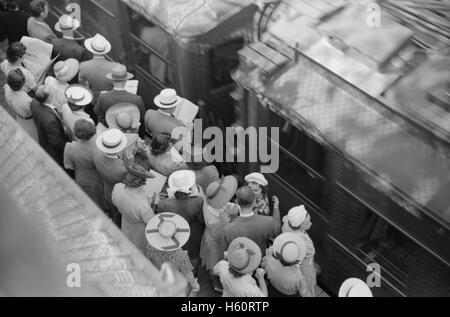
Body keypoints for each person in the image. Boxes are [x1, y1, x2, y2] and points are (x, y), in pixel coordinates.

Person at [156, 170, 205, 270]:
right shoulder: (198, 201)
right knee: (193, 254)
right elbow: (201, 219)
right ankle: (193, 271)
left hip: (174, 233)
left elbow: (161, 222)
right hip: (192, 233)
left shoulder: (163, 204)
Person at [145, 212, 200, 296]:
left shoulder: (150, 245)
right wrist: (195, 286)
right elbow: (188, 275)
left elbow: (149, 261)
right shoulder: (181, 256)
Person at [200, 176, 239, 292]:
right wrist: (225, 221)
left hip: (213, 237)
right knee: (214, 264)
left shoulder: (208, 203)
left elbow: (222, 207)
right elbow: (217, 230)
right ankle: (217, 284)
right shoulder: (213, 220)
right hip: (214, 241)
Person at [221, 186, 280, 255]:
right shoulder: (267, 222)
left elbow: (223, 249)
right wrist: (276, 207)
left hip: (239, 261)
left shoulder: (227, 229)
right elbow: (277, 227)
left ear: (237, 202)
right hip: (261, 258)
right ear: (254, 201)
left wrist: (224, 221)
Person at [112, 161, 155, 254]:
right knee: (140, 248)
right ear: (142, 183)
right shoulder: (143, 205)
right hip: (139, 230)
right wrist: (154, 202)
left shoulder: (118, 187)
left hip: (126, 222)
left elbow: (115, 202)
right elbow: (151, 222)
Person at [63, 119, 105, 209]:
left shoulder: (70, 147)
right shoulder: (100, 146)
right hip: (99, 180)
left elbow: (68, 166)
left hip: (82, 180)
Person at [94, 64, 146, 137]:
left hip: (111, 132)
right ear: (126, 80)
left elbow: (96, 112)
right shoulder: (137, 99)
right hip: (129, 133)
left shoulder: (103, 97)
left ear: (112, 80)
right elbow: (142, 118)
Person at [93, 129, 128, 227]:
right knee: (119, 217)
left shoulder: (96, 152)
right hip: (117, 197)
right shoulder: (122, 169)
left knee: (114, 214)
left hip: (106, 190)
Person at [282, 205, 317, 297]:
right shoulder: (305, 243)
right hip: (305, 265)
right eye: (307, 222)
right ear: (300, 226)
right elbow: (310, 253)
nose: (311, 223)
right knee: (309, 285)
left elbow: (285, 219)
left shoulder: (287, 223)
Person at [30, 85, 69, 167]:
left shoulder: (33, 102)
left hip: (44, 136)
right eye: (51, 94)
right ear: (49, 98)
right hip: (54, 151)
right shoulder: (50, 120)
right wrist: (67, 147)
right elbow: (56, 142)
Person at [261, 232, 309, 297]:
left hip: (272, 289)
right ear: (297, 260)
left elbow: (263, 266)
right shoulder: (299, 277)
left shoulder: (268, 260)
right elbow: (303, 293)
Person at [79, 33, 119, 102]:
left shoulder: (83, 65)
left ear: (91, 49)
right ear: (105, 50)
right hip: (111, 101)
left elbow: (82, 84)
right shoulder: (116, 67)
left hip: (94, 99)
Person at [4, 69, 38, 141]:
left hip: (19, 118)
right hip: (30, 122)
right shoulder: (27, 101)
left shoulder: (6, 88)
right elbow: (34, 113)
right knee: (35, 139)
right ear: (22, 84)